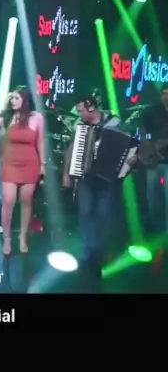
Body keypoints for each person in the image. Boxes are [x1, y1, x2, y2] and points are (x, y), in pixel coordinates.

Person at [62, 94, 122, 290]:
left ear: (91, 107)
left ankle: (99, 255)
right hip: (86, 178)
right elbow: (72, 148)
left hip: (107, 181)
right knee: (86, 213)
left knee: (103, 215)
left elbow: (126, 147)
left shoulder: (114, 123)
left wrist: (128, 160)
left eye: (81, 110)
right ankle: (88, 255)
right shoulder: (81, 126)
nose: (79, 114)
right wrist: (66, 173)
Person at [0, 87, 45, 255]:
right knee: (8, 200)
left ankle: (22, 236)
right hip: (10, 163)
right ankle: (6, 238)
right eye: (12, 98)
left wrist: (43, 164)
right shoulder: (7, 117)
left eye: (16, 98)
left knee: (26, 200)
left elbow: (40, 142)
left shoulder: (37, 117)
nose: (13, 101)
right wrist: (3, 105)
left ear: (25, 100)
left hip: (30, 163)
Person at [141, 85, 168, 233]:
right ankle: (157, 233)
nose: (166, 97)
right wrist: (147, 144)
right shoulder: (153, 111)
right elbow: (141, 127)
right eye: (164, 94)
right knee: (153, 200)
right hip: (153, 162)